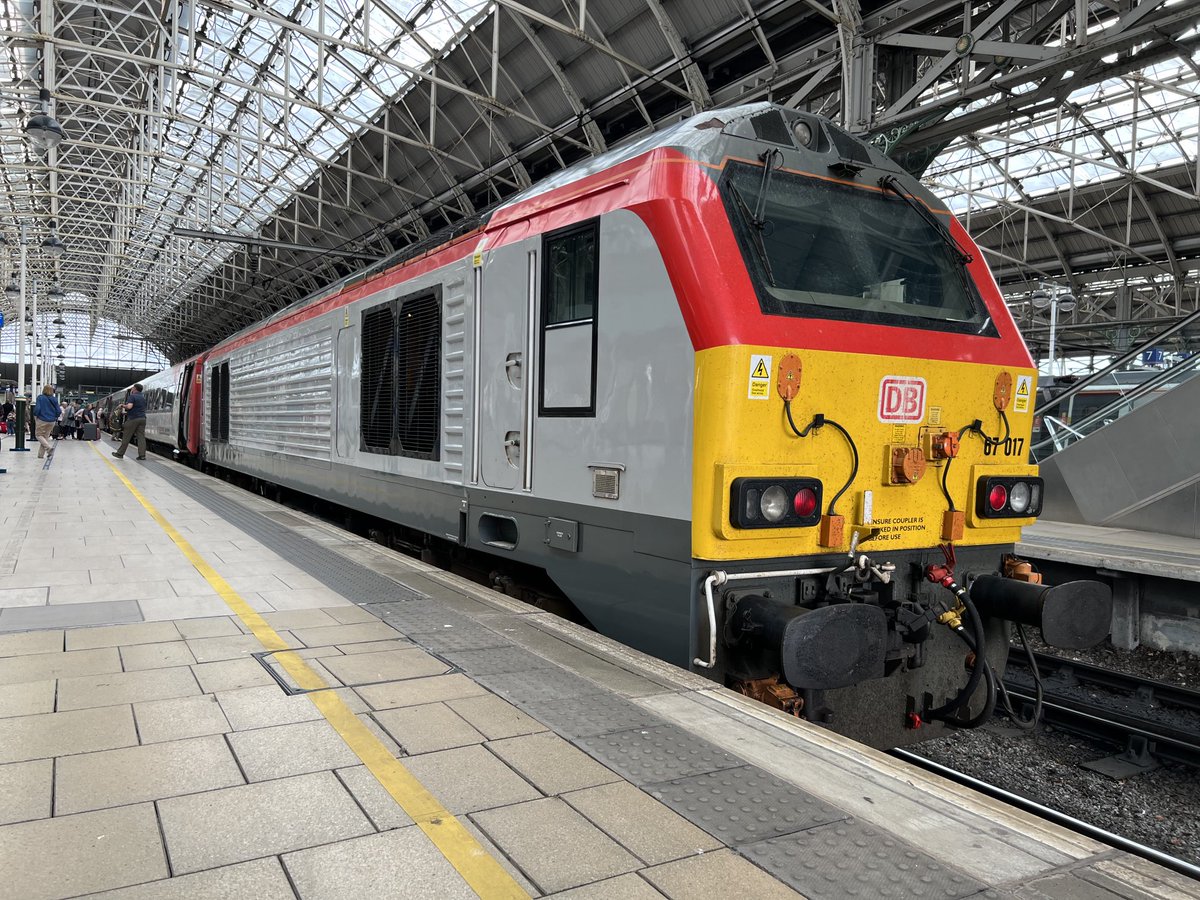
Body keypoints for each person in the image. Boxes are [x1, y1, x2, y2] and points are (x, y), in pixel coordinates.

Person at [112, 383, 147, 460]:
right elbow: (138, 409)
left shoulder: (132, 396)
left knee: (126, 436)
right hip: (142, 419)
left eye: (132, 388)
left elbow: (129, 406)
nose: (131, 389)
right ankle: (142, 455)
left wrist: (122, 405)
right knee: (141, 437)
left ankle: (120, 453)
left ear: (134, 389)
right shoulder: (143, 397)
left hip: (133, 419)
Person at [33, 385, 61, 459]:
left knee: (38, 435)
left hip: (42, 419)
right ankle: (40, 455)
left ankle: (49, 449)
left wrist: (35, 415)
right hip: (52, 421)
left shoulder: (40, 398)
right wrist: (55, 417)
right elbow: (59, 411)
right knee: (45, 437)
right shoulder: (54, 399)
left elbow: (37, 409)